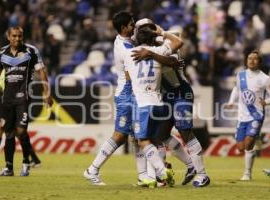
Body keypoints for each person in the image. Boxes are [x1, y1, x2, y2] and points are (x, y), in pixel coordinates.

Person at [131, 20, 210, 187]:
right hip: (165, 97)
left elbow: (173, 62)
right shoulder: (150, 47)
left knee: (184, 130)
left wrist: (153, 48)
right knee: (160, 136)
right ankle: (185, 168)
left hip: (181, 92)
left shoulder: (165, 47)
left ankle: (202, 175)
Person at [0, 26, 52, 176]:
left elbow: (42, 72)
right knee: (9, 133)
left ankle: (26, 162)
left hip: (23, 97)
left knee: (21, 130)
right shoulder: (2, 52)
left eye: (20, 36)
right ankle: (9, 168)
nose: (17, 39)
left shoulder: (31, 51)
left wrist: (47, 93)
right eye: (14, 36)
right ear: (8, 37)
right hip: (7, 99)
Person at [124, 23, 183, 187]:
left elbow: (127, 77)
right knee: (156, 141)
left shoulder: (129, 54)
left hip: (143, 105)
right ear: (153, 38)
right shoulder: (158, 51)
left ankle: (162, 172)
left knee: (142, 141)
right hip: (159, 104)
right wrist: (161, 32)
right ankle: (155, 179)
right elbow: (178, 42)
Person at [83, 11, 136, 186]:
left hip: (131, 94)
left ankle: (147, 176)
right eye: (131, 23)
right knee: (120, 136)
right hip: (126, 94)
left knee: (140, 136)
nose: (134, 25)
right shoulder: (125, 48)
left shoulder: (125, 40)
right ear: (123, 28)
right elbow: (130, 75)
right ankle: (92, 170)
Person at [225, 51, 270, 181]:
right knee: (240, 148)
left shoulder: (265, 78)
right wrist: (231, 102)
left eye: (255, 59)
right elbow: (236, 89)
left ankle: (247, 174)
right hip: (242, 116)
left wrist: (266, 102)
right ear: (246, 60)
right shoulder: (240, 75)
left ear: (259, 62)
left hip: (256, 115)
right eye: (250, 58)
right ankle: (256, 140)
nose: (252, 60)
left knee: (248, 144)